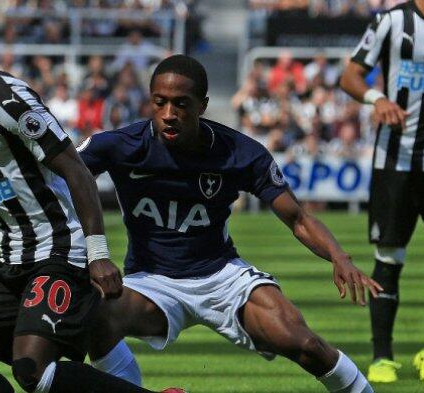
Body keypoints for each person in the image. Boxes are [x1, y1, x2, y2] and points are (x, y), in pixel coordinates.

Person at [0, 7, 184, 393]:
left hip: (57, 252)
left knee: (31, 370)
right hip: (10, 261)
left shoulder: (6, 99)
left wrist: (97, 252)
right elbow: (5, 184)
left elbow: (76, 170)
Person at [77, 55, 380, 393]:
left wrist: (339, 257)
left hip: (221, 275)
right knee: (92, 315)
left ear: (202, 105)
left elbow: (298, 218)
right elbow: (60, 174)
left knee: (304, 344)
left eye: (181, 104)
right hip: (151, 280)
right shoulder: (119, 145)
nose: (168, 114)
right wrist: (91, 250)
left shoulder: (240, 152)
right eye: (159, 102)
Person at [340, 0, 424, 383]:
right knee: (389, 256)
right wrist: (377, 99)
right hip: (395, 159)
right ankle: (382, 357)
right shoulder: (393, 21)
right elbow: (350, 76)